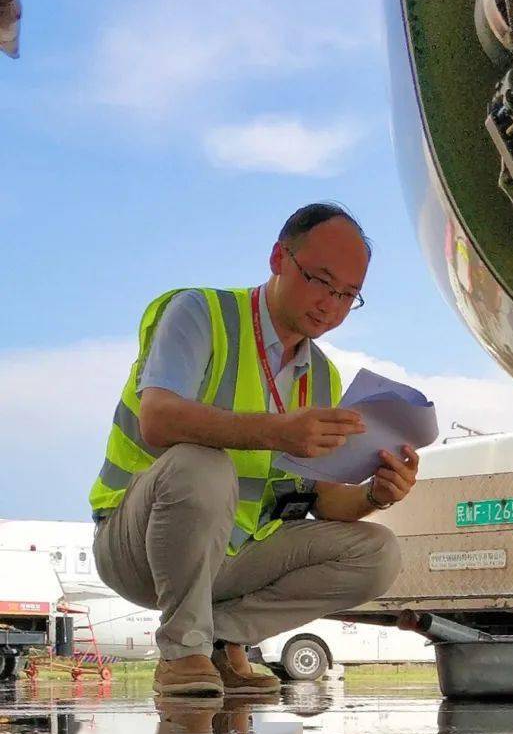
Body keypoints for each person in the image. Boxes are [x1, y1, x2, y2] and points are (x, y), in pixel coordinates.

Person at [88, 203, 414, 696]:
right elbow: (157, 419)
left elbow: (321, 500)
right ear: (278, 258)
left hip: (234, 554)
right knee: (201, 462)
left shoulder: (322, 374)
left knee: (379, 553)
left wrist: (376, 495)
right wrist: (277, 431)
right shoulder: (198, 313)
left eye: (348, 295)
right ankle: (183, 652)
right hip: (137, 542)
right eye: (321, 281)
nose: (331, 304)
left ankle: (222, 640)